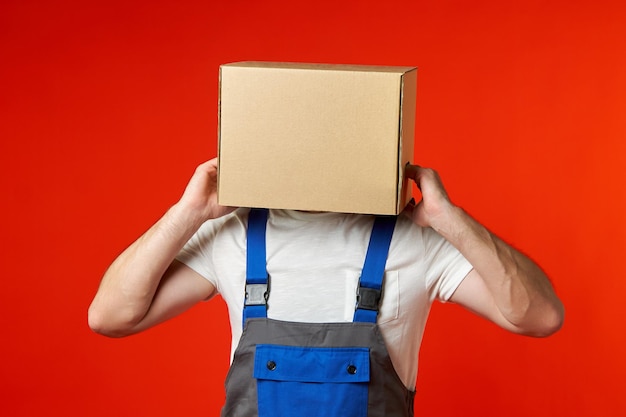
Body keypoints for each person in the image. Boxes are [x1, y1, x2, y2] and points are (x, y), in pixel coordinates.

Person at [88, 158, 564, 416]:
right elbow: (110, 317)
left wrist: (450, 220)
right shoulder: (231, 234)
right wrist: (188, 213)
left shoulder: (416, 240)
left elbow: (540, 316)